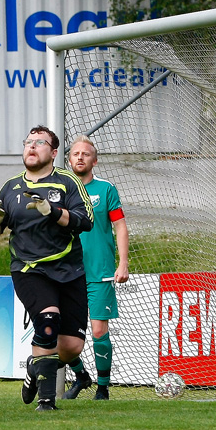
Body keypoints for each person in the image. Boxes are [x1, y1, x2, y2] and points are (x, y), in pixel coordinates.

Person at [0, 124, 94, 411]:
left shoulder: (68, 183)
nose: (31, 147)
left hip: (70, 270)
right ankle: (46, 402)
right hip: (29, 269)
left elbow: (85, 221)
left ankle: (34, 368)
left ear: (54, 152)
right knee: (47, 319)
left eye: (40, 142)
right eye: (28, 142)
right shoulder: (10, 188)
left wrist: (53, 212)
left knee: (70, 347)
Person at [63, 135, 129, 400]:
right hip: (66, 272)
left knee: (99, 331)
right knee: (62, 336)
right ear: (68, 159)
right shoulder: (61, 190)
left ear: (95, 160)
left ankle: (103, 388)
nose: (80, 157)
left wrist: (123, 263)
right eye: (75, 153)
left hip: (99, 271)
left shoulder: (106, 190)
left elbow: (120, 226)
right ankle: (81, 376)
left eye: (85, 154)